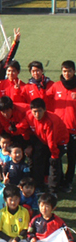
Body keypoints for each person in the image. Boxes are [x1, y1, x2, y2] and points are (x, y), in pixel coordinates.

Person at [26, 98, 68, 196]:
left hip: (59, 142)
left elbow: (52, 141)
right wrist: (27, 144)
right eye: (35, 111)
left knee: (54, 164)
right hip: (44, 140)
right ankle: (39, 186)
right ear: (31, 111)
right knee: (38, 159)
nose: (37, 114)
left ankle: (53, 191)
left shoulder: (51, 121)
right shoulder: (28, 116)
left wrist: (54, 155)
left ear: (45, 110)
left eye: (39, 111)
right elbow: (24, 127)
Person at [45, 60, 76, 192]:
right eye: (64, 71)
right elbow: (45, 97)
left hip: (73, 130)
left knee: (71, 157)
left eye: (69, 71)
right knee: (57, 156)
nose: (66, 74)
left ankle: (68, 181)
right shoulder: (56, 86)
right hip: (57, 129)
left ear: (74, 71)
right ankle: (60, 179)